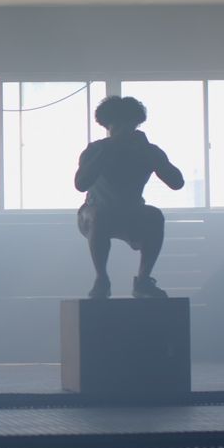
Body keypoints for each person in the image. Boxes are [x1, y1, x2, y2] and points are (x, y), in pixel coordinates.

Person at [74, 95, 185, 299]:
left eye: (128, 125)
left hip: (131, 212)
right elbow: (81, 184)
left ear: (135, 125)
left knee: (155, 215)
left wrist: (151, 155)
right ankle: (101, 279)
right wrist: (108, 150)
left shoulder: (147, 151)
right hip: (93, 212)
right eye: (118, 126)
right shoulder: (96, 149)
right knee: (99, 215)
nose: (123, 131)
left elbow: (177, 183)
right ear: (108, 125)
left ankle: (143, 280)